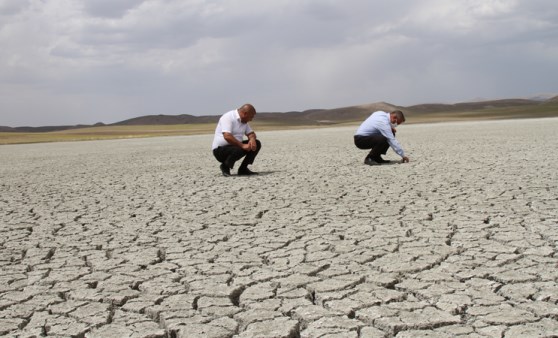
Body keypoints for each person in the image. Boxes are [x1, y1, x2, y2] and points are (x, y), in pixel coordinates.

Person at [212, 103, 262, 176]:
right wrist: (242, 145)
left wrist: (252, 140)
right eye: (251, 117)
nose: (251, 119)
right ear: (245, 113)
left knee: (256, 143)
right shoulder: (228, 117)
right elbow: (227, 136)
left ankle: (243, 169)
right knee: (238, 148)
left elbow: (251, 133)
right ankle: (225, 166)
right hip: (220, 151)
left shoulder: (244, 121)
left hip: (235, 147)